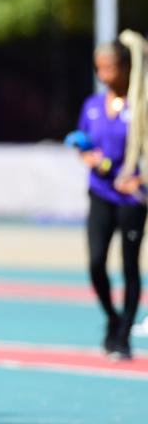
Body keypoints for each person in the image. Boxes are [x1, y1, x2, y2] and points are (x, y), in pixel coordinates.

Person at [76, 40, 146, 361]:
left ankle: (123, 335)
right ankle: (112, 317)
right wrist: (86, 155)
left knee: (130, 267)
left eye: (110, 67)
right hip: (100, 195)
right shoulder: (92, 105)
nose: (104, 74)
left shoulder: (140, 107)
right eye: (99, 68)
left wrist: (140, 179)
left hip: (131, 199)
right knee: (95, 263)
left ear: (126, 68)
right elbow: (84, 141)